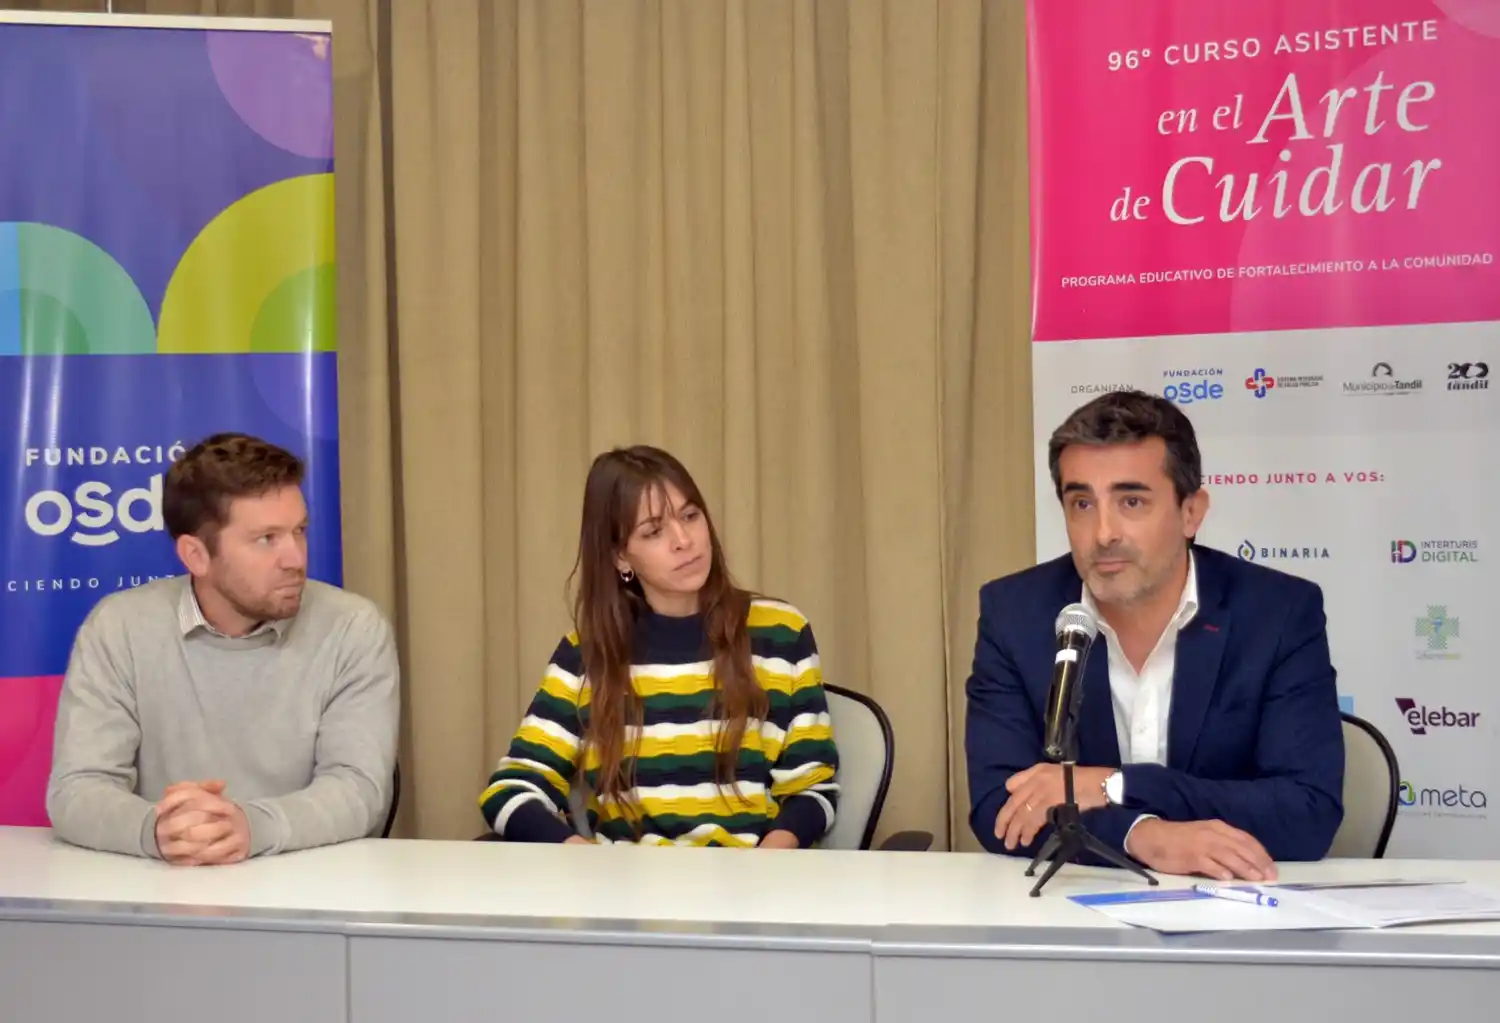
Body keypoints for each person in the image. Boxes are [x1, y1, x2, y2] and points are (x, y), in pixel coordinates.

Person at [965, 390, 1343, 881]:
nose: (1103, 533)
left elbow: (1307, 810)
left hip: (1240, 915)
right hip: (1076, 913)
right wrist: (1141, 835)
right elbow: (1002, 810)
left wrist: (1113, 785)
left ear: (1191, 513)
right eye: (1082, 502)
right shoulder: (1016, 613)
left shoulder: (1278, 613)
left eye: (1132, 501)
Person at [46, 433, 400, 864]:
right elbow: (78, 789)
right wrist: (158, 830)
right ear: (195, 555)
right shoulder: (119, 627)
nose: (296, 558)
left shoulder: (352, 628)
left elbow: (359, 790)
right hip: (162, 888)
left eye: (299, 531)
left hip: (307, 888)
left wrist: (249, 827)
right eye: (267, 538)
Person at [480, 445, 839, 848]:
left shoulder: (781, 633)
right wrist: (580, 859)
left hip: (751, 886)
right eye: (653, 531)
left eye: (690, 515)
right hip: (628, 895)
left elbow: (813, 790)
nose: (684, 540)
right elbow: (511, 789)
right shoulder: (588, 655)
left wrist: (767, 865)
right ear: (620, 557)